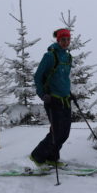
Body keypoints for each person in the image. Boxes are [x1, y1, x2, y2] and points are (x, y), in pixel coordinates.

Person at [30, 28, 73, 167]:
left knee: (64, 133)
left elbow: (63, 77)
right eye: (63, 40)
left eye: (67, 39)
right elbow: (37, 76)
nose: (66, 42)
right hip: (53, 99)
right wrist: (42, 95)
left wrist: (69, 91)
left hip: (66, 99)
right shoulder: (50, 56)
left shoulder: (68, 57)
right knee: (57, 132)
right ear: (58, 40)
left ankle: (52, 158)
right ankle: (37, 156)